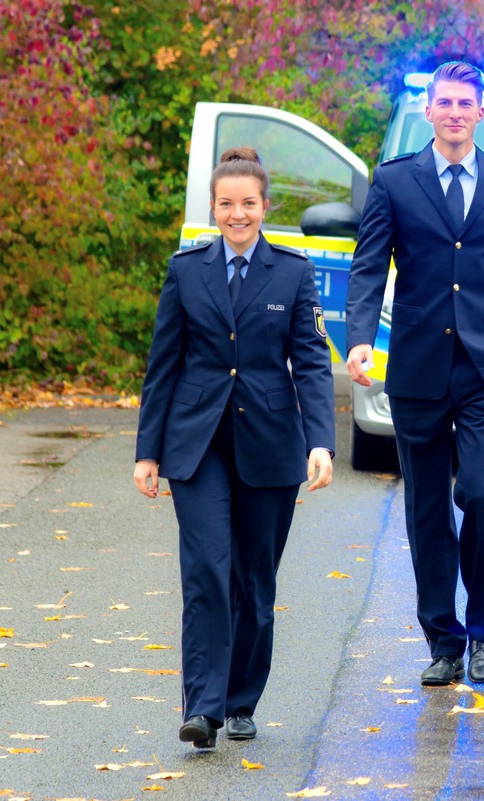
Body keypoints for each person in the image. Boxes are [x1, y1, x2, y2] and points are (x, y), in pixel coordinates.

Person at [345, 61, 484, 686]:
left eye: (466, 102)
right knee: (427, 508)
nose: (455, 112)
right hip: (417, 369)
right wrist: (357, 341)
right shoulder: (394, 182)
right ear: (428, 111)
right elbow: (368, 267)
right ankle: (444, 639)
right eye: (445, 102)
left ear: (481, 112)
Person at [133, 147, 335, 748]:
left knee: (253, 580)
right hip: (196, 444)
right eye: (227, 204)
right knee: (205, 572)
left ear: (266, 206)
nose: (238, 214)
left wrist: (320, 442)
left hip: (271, 445)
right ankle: (203, 706)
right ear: (213, 208)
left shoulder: (294, 273)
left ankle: (243, 698)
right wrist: (148, 452)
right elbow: (162, 365)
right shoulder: (186, 268)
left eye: (249, 203)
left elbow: (312, 365)